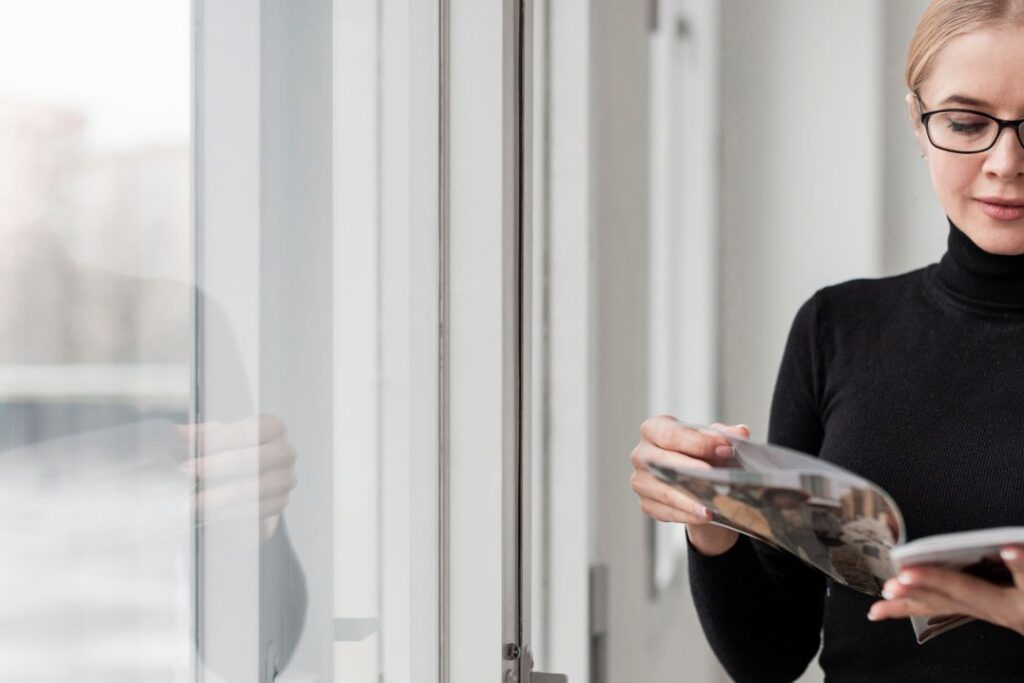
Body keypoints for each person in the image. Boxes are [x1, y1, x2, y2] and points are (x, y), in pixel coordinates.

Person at [629, 1, 1024, 680]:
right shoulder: (837, 328)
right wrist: (713, 522)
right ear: (919, 124)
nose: (1004, 162)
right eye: (966, 123)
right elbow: (771, 655)